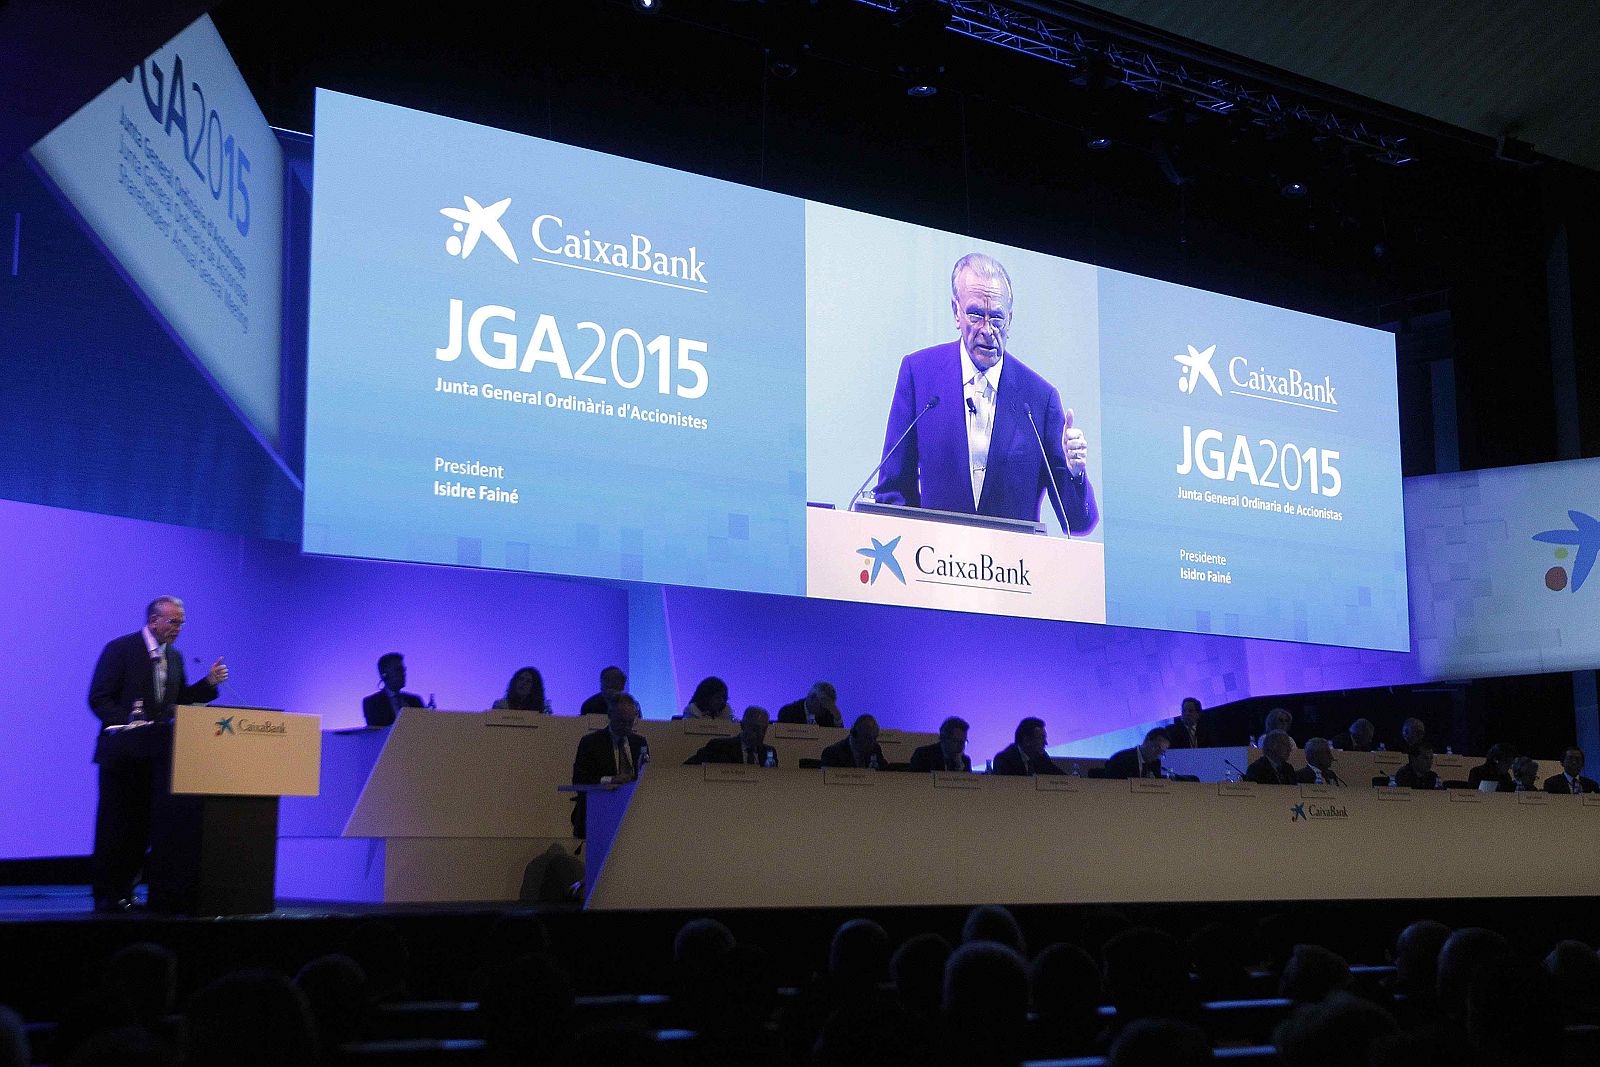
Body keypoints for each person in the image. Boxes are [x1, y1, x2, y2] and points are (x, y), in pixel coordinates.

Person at [870, 253, 1098, 534]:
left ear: (1010, 320)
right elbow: (892, 491)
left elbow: (1078, 523)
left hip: (1013, 571)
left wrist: (1075, 473)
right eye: (976, 315)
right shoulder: (920, 375)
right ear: (956, 312)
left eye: (997, 318)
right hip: (931, 563)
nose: (987, 330)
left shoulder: (1039, 399)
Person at [87, 596, 228, 912]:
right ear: (153, 620)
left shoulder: (174, 658)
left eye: (181, 622)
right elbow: (99, 699)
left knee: (143, 827)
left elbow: (180, 701)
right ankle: (108, 892)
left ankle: (129, 888)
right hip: (122, 756)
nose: (178, 628)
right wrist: (131, 725)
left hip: (155, 758)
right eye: (173, 621)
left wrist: (208, 683)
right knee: (116, 825)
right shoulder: (120, 649)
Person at [569, 693, 649, 837]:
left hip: (631, 816)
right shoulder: (591, 742)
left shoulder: (640, 743)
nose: (626, 727)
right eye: (621, 721)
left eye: (630, 722)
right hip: (597, 814)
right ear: (610, 715)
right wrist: (610, 780)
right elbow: (579, 779)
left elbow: (645, 777)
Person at [683, 706, 778, 767]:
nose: (760, 734)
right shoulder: (719, 747)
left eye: (764, 729)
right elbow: (687, 768)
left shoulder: (769, 752)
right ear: (743, 726)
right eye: (755, 729)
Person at [362, 652, 422, 727]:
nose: (403, 673)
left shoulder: (415, 701)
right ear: (384, 675)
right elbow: (378, 730)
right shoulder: (372, 703)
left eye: (403, 670)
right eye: (398, 670)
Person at [991, 716, 1065, 775]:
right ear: (1026, 740)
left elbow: (1061, 778)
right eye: (1041, 738)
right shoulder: (1004, 760)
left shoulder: (1042, 758)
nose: (1045, 743)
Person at [819, 714, 887, 769]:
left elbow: (885, 772)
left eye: (874, 738)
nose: (872, 743)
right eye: (867, 738)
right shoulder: (832, 753)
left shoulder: (875, 749)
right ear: (854, 734)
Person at [1105, 727, 1171, 779]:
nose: (1158, 754)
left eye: (1162, 752)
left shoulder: (1156, 764)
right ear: (1147, 741)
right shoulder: (1120, 759)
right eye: (1157, 748)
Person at [777, 681, 843, 727]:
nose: (826, 707)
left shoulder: (827, 715)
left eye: (829, 704)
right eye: (823, 703)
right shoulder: (788, 712)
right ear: (812, 698)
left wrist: (837, 717)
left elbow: (838, 739)